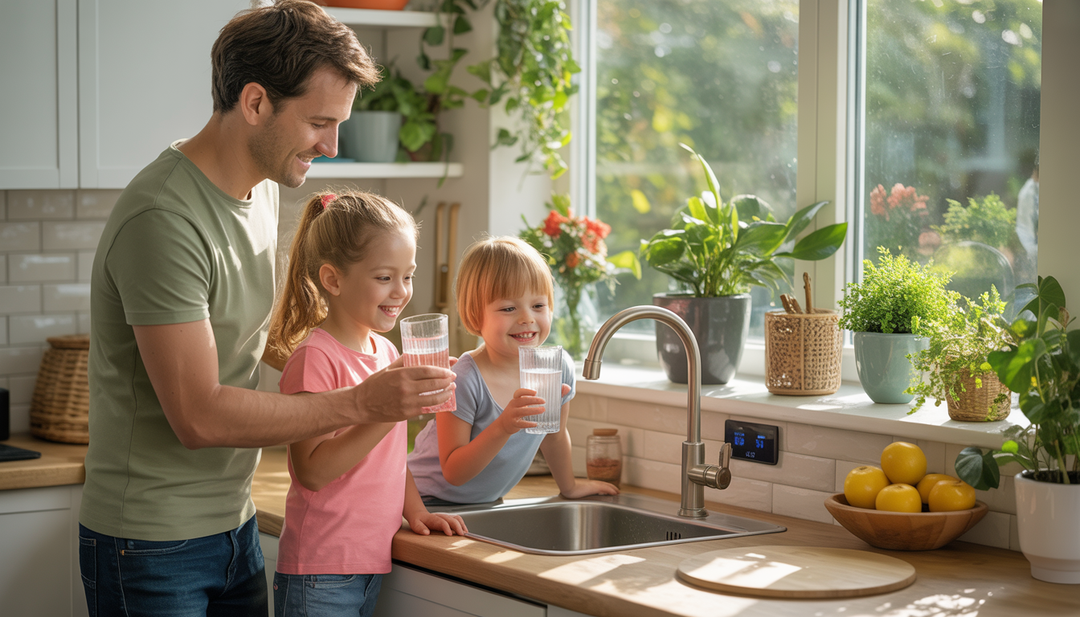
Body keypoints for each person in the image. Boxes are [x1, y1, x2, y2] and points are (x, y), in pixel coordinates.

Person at [78, 2, 455, 615]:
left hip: (235, 525)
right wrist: (366, 402)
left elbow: (245, 351)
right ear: (255, 103)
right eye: (319, 122)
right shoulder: (163, 220)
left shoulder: (259, 192)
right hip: (147, 544)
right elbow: (198, 416)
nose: (333, 145)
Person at [267, 191, 467, 617]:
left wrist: (417, 511)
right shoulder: (315, 358)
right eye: (384, 278)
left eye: (408, 276)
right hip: (320, 570)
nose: (401, 292)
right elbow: (312, 471)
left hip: (370, 562)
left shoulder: (387, 353)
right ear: (333, 279)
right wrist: (389, 411)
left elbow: (392, 455)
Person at [407, 236, 619, 504]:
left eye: (539, 306)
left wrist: (570, 487)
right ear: (475, 316)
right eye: (509, 308)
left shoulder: (556, 368)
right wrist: (503, 426)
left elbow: (553, 437)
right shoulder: (464, 379)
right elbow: (453, 472)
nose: (527, 318)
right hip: (423, 501)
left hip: (485, 504)